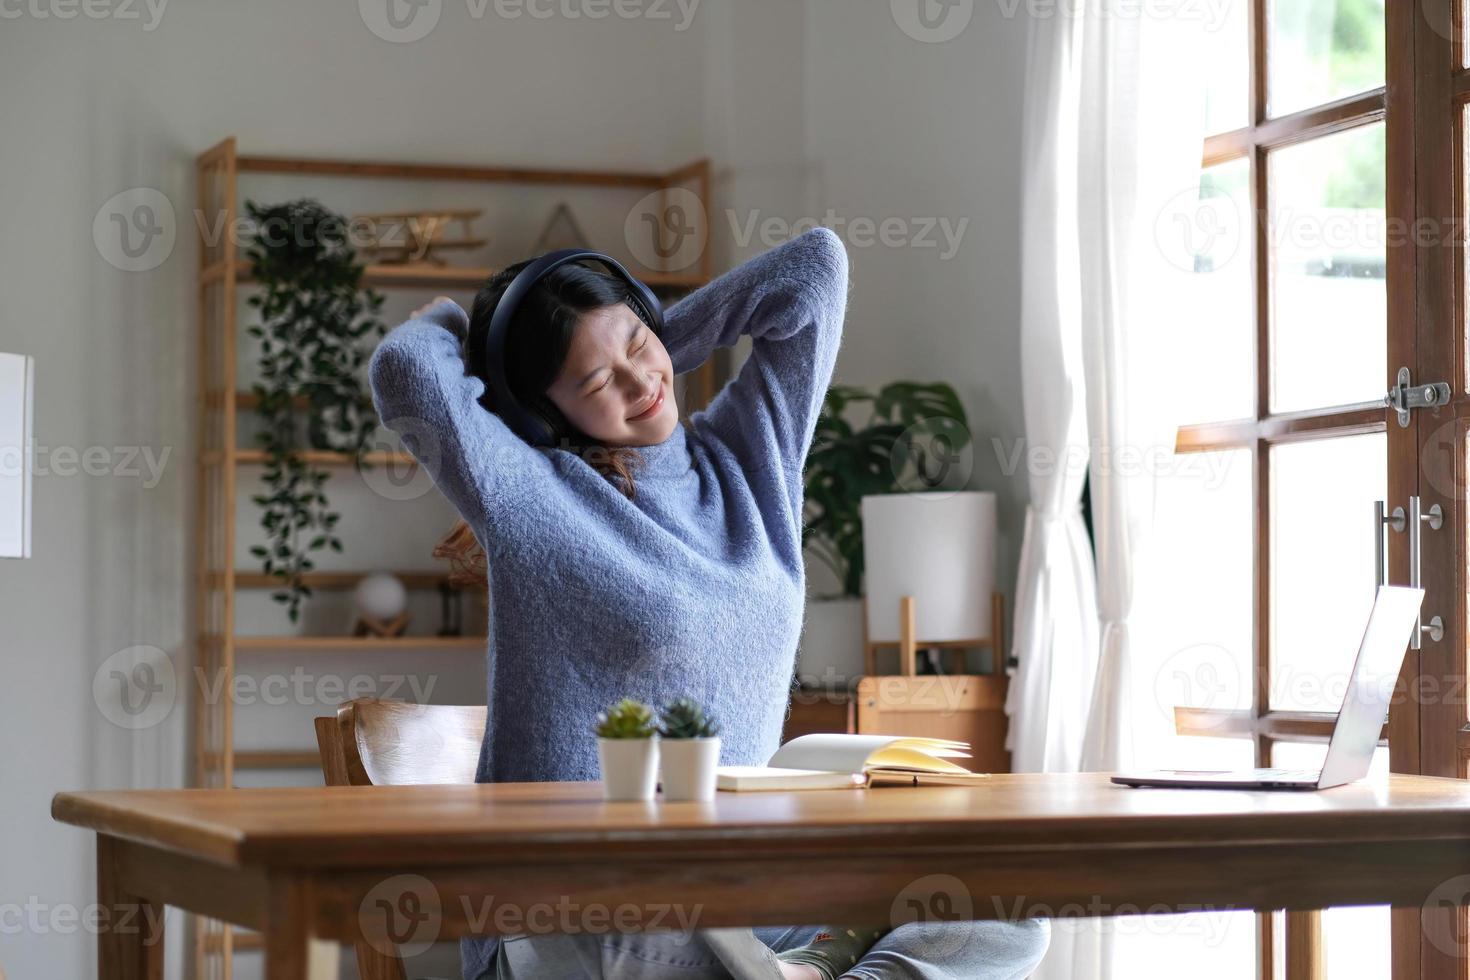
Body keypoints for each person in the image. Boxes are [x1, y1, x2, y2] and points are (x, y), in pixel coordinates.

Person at [368, 227, 1050, 980]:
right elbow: (405, 373)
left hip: (747, 900)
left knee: (1007, 895)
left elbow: (814, 270)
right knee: (657, 927)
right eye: (597, 384)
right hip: (573, 917)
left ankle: (800, 975)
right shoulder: (532, 494)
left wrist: (653, 339)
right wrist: (451, 330)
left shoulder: (753, 455)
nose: (639, 383)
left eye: (637, 344)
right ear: (542, 416)